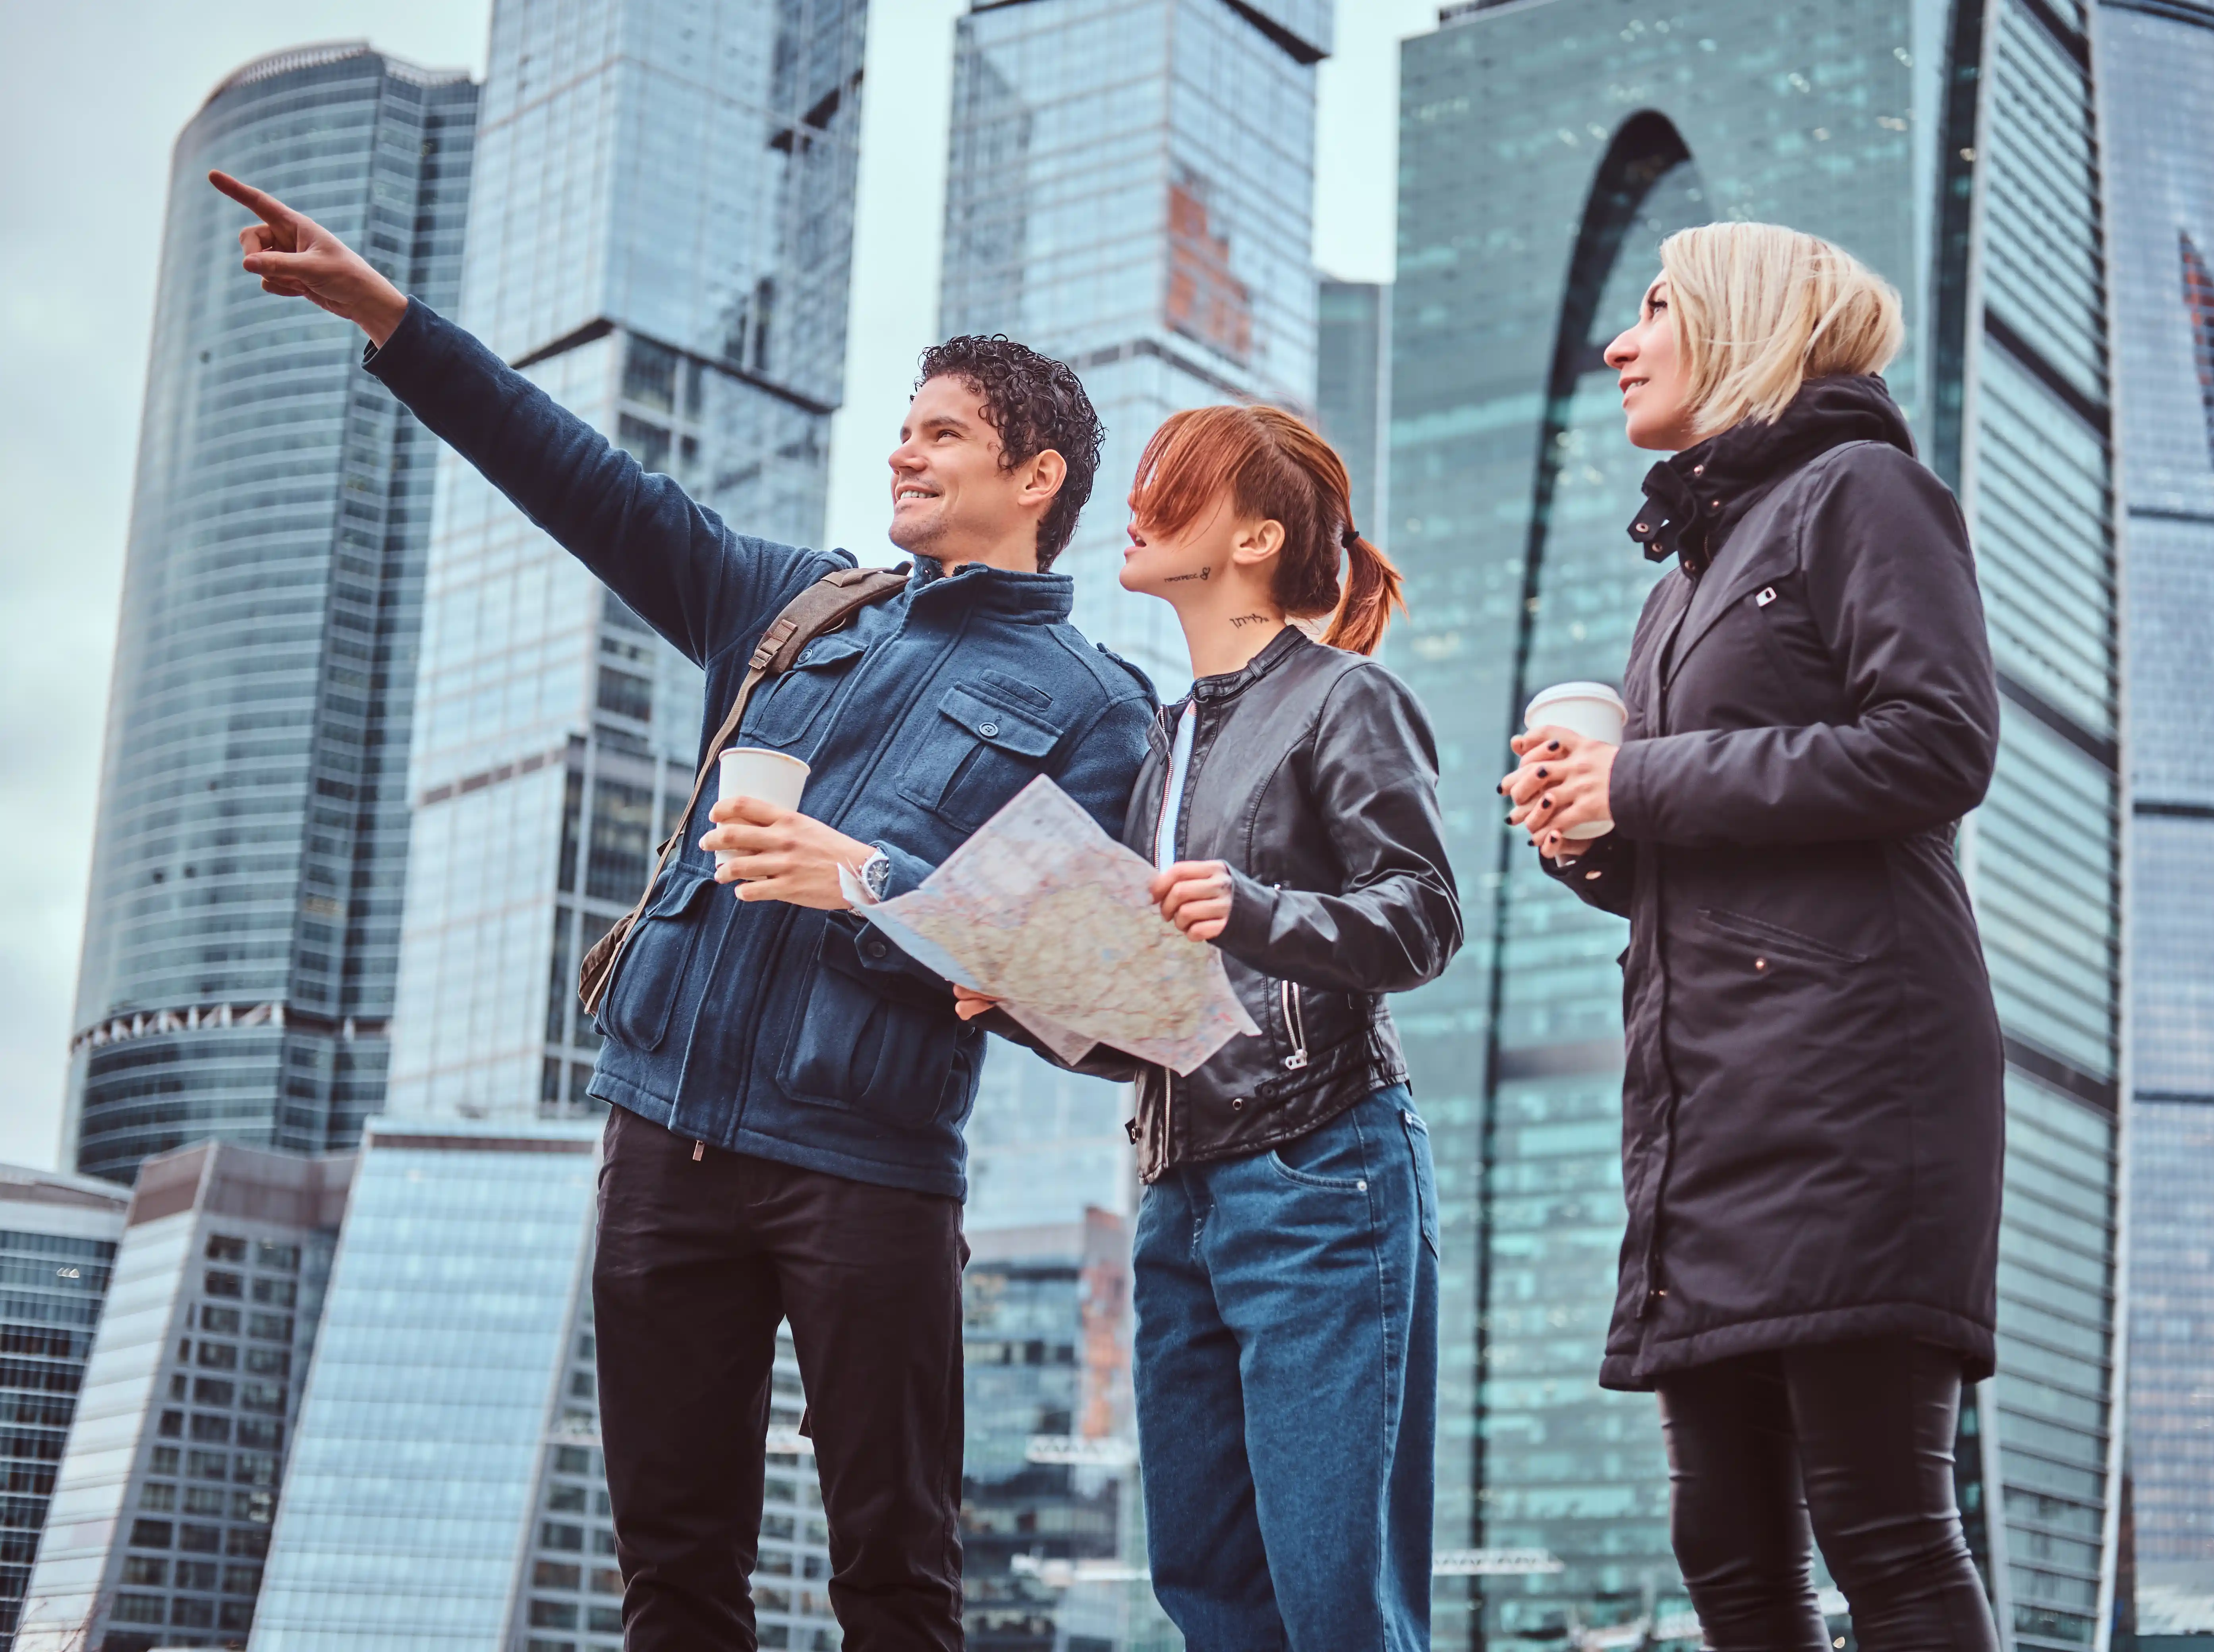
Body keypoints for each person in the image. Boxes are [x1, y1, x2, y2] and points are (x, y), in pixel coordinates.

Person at [209, 169, 1155, 1650]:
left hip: (871, 1173)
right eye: (903, 427)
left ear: (1037, 479)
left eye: (944, 434)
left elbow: (1090, 1002)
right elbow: (587, 481)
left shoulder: (1095, 706)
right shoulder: (795, 608)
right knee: (670, 1576)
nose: (904, 453)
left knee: (897, 1580)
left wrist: (871, 885)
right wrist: (389, 320)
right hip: (664, 1144)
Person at [1500, 222, 2006, 1652]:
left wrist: (1639, 782)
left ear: (1743, 325)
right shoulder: (1678, 589)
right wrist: (1594, 836)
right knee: (1721, 1545)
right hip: (1705, 1106)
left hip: (1855, 1086)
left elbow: (1936, 745)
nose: (1619, 341)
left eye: (1655, 306)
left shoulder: (1864, 492)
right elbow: (1714, 853)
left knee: (1886, 1530)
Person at [956, 405, 1460, 1650]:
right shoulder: (1167, 739)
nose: (1137, 506)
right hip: (1177, 1197)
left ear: (1257, 536)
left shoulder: (1345, 698)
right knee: (1209, 1598)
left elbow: (1423, 917)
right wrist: (1016, 996)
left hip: (1321, 1175)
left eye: (1171, 488)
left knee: (1338, 1600)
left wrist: (1253, 906)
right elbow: (1149, 1011)